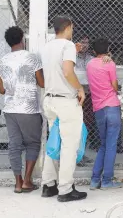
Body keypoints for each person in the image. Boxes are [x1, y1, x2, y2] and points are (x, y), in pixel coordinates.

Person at [40, 16, 87, 202]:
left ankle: (48, 184)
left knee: (54, 142)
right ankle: (65, 189)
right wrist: (80, 88)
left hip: (50, 100)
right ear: (68, 27)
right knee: (69, 145)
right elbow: (68, 72)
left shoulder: (47, 46)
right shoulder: (68, 46)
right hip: (66, 101)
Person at [0, 26, 44, 193]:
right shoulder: (32, 58)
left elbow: (1, 90)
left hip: (10, 108)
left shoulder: (1, 61)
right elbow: (42, 83)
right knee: (33, 143)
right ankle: (27, 181)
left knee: (14, 145)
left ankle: (18, 182)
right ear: (22, 39)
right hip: (29, 108)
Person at [87, 38, 123, 190]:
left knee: (103, 144)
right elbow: (114, 86)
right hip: (112, 106)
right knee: (111, 144)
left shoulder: (89, 64)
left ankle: (95, 180)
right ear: (108, 49)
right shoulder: (110, 63)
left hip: (98, 108)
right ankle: (107, 180)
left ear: (94, 51)